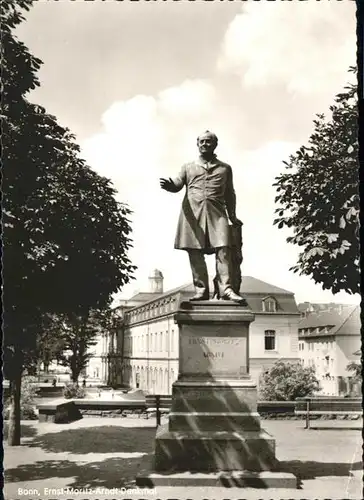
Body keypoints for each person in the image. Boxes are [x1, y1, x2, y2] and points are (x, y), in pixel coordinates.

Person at [160, 130, 246, 303]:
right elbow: (178, 182)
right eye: (202, 141)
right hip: (193, 214)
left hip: (217, 213)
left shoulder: (224, 168)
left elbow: (230, 193)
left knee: (224, 249)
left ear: (215, 145)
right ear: (197, 144)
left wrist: (233, 216)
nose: (205, 144)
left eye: (209, 141)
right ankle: (201, 290)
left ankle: (226, 289)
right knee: (195, 252)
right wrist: (171, 186)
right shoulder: (188, 167)